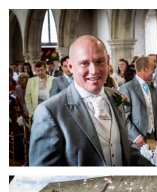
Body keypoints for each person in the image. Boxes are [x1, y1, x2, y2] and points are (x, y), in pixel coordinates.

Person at [29, 35, 142, 166]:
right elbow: (44, 175)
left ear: (108, 62)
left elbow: (123, 148)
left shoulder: (115, 97)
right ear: (70, 66)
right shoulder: (49, 112)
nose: (94, 71)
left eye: (100, 61)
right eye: (84, 63)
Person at [119, 56, 157, 150]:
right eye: (152, 68)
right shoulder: (127, 88)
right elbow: (123, 117)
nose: (154, 71)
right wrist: (136, 136)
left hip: (154, 135)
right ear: (145, 69)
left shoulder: (152, 86)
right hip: (137, 139)